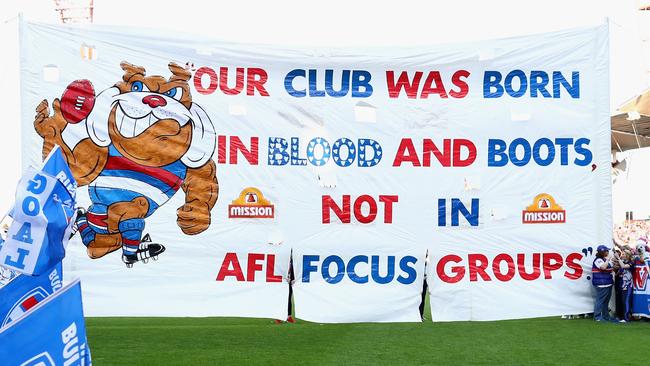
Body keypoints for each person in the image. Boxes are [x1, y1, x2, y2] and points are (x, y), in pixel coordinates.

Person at [592, 245, 615, 322]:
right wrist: (608, 260)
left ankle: (606, 316)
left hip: (607, 283)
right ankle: (597, 317)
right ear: (602, 252)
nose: (608, 252)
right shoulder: (598, 260)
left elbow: (611, 269)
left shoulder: (603, 259)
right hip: (601, 284)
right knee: (600, 301)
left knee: (606, 301)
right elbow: (603, 267)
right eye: (606, 251)